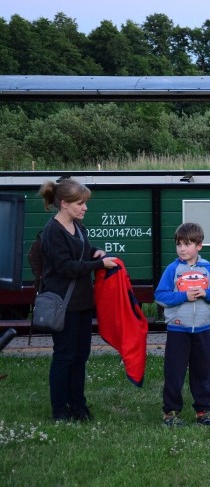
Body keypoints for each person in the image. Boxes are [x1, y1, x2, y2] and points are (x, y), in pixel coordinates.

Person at [38, 178, 118, 422]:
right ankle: (60, 411)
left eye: (84, 203)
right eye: (80, 203)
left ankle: (78, 407)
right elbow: (66, 268)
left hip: (82, 303)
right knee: (64, 356)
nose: (85, 208)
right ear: (64, 203)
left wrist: (95, 252)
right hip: (64, 305)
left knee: (80, 356)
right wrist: (98, 263)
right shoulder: (53, 231)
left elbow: (82, 253)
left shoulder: (78, 226)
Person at [155, 222, 210, 427]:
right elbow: (160, 295)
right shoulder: (172, 269)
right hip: (178, 329)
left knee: (203, 371)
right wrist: (183, 296)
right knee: (174, 372)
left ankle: (203, 412)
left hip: (202, 329)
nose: (182, 249)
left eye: (187, 244)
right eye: (179, 244)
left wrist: (206, 293)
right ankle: (170, 413)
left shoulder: (208, 268)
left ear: (199, 246)